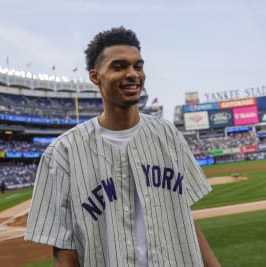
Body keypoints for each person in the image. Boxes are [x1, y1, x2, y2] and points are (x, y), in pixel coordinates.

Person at [25, 26, 221, 267]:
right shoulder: (62, 153)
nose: (133, 74)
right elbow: (65, 249)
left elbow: (183, 218)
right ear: (95, 76)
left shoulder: (168, 135)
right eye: (119, 67)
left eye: (137, 66)